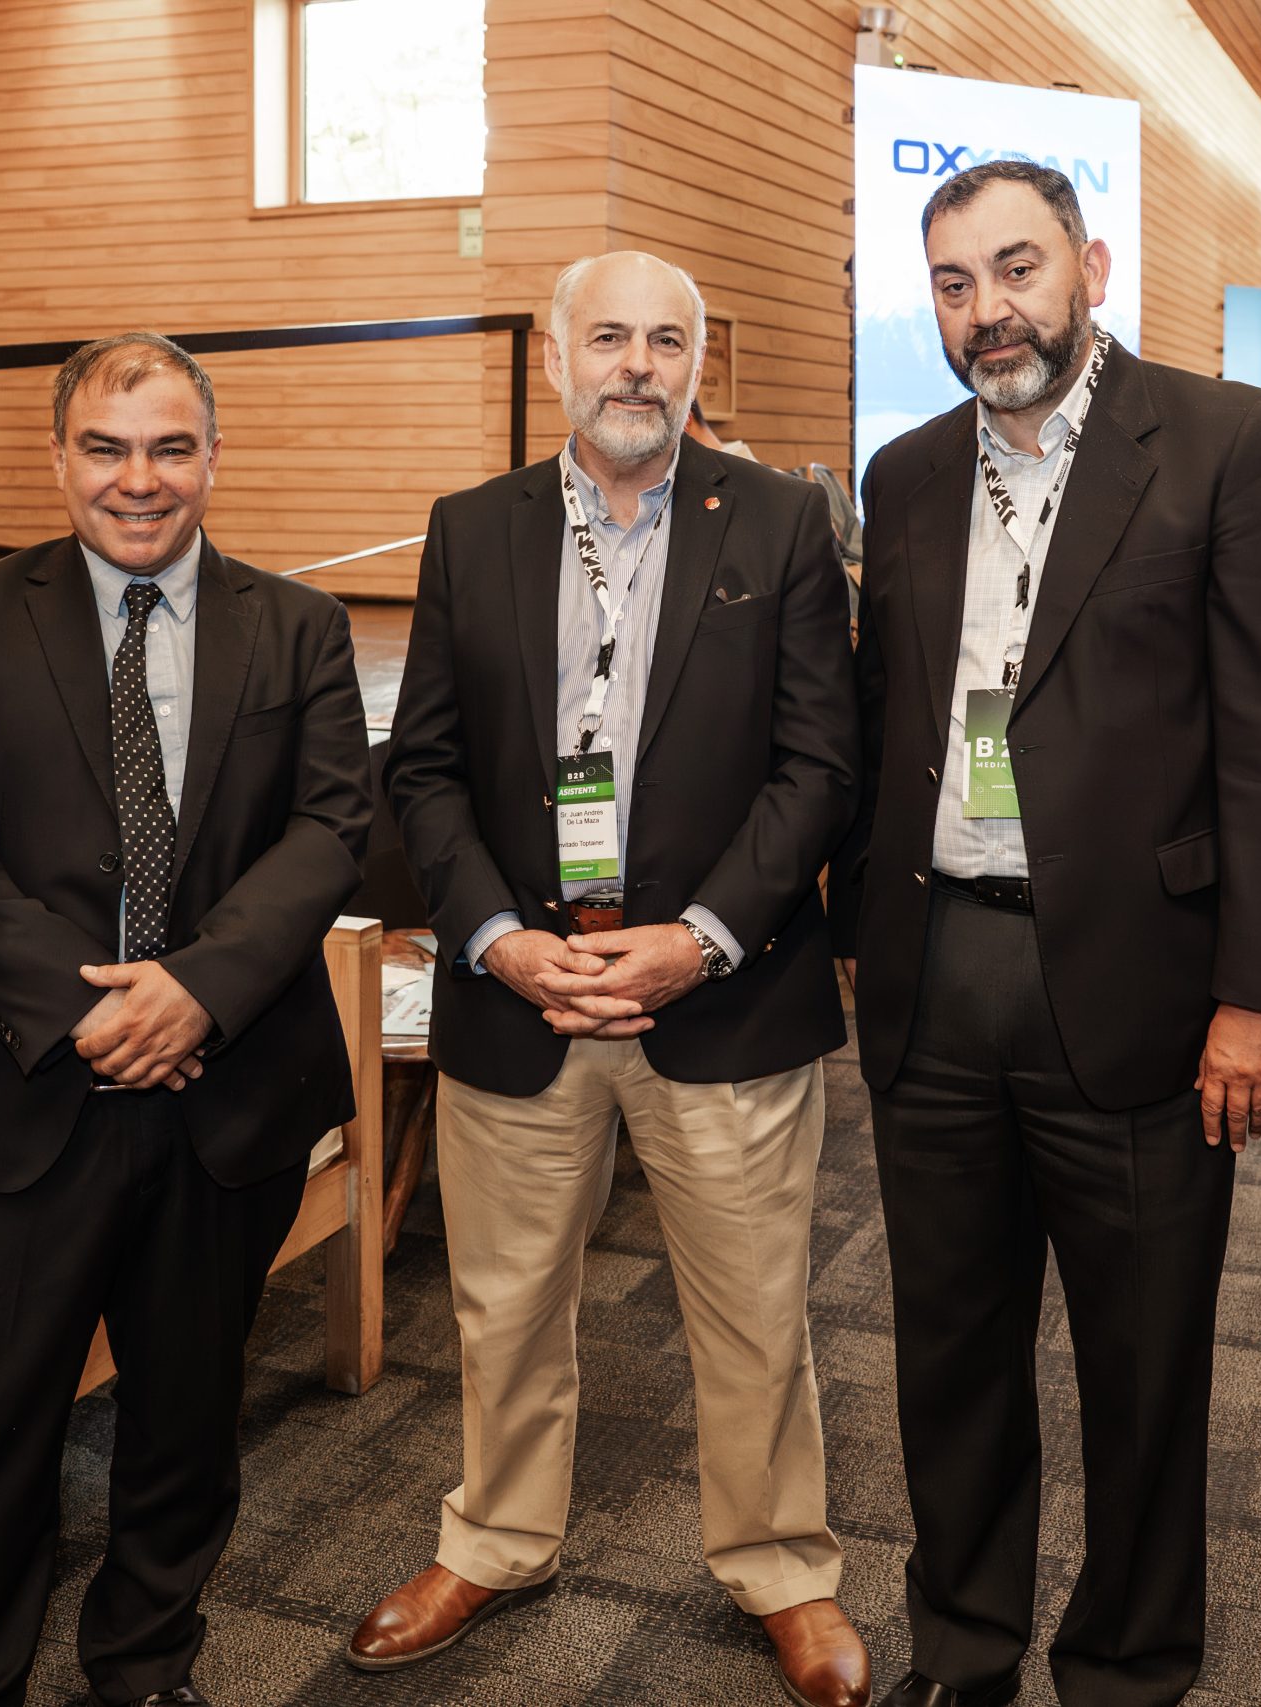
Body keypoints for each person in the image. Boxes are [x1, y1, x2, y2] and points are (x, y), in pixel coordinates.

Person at [833, 160, 1261, 1707]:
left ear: (1091, 267)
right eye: (954, 283)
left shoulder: (1221, 442)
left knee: (1142, 1366)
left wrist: (1260, 999)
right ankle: (963, 1649)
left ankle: (1126, 1668)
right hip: (937, 978)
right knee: (950, 1354)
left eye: (1017, 268)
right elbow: (885, 719)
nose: (988, 310)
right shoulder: (907, 474)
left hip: (1139, 985)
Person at [358, 250, 869, 1707]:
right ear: (554, 356)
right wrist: (497, 941)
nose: (636, 365)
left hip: (722, 992)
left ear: (701, 364)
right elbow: (426, 769)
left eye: (665, 342)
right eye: (608, 339)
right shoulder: (474, 527)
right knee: (504, 1304)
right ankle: (495, 1538)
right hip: (519, 991)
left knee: (756, 1312)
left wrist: (698, 937)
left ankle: (782, 1564)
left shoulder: (781, 521)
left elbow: (820, 767)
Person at [0, 335, 373, 1707]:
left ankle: (146, 1666)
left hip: (229, 1099)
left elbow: (333, 828)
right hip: (21, 1090)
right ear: (59, 458)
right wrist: (86, 1008)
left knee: (187, 1425)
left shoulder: (298, 624)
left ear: (212, 456)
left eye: (169, 447)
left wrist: (198, 986)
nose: (137, 479)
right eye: (105, 448)